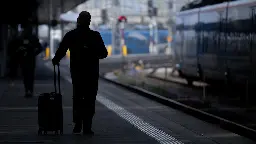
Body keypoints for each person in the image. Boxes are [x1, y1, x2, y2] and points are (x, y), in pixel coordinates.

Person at [52, 11, 108, 135]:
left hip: (77, 72)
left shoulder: (71, 35)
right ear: (89, 21)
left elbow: (61, 50)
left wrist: (55, 60)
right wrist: (93, 52)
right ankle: (87, 126)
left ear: (78, 21)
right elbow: (104, 54)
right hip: (91, 73)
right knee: (90, 99)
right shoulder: (95, 35)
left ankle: (77, 124)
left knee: (77, 97)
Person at [12, 23, 43, 97]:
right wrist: (34, 53)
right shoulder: (33, 38)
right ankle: (30, 90)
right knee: (30, 76)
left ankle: (27, 90)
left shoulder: (21, 38)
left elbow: (16, 49)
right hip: (30, 59)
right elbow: (40, 48)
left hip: (24, 59)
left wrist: (20, 52)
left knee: (26, 76)